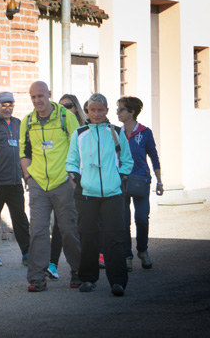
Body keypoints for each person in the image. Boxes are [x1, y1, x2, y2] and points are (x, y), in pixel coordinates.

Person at [66, 93, 133, 296]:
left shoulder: (116, 132)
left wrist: (119, 178)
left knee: (115, 237)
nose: (96, 113)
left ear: (106, 111)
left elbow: (127, 161)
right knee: (88, 237)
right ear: (87, 111)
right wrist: (77, 178)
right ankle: (88, 278)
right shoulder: (79, 133)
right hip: (86, 193)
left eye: (100, 110)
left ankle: (118, 282)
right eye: (92, 110)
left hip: (113, 193)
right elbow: (71, 161)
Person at [20, 81, 82, 292]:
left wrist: (73, 177)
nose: (37, 101)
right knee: (37, 230)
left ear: (49, 95)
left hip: (63, 182)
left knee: (68, 230)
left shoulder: (66, 116)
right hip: (38, 183)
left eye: (40, 96)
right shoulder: (27, 121)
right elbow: (24, 152)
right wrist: (28, 177)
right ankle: (37, 277)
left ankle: (78, 271)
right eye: (33, 97)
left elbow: (78, 146)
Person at [0, 92, 30, 267]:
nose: (7, 108)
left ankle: (27, 253)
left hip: (16, 181)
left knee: (21, 219)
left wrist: (26, 176)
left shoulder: (18, 124)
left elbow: (25, 151)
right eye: (4, 104)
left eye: (10, 104)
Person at [116, 96, 163, 271]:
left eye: (121, 109)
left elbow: (153, 156)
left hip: (140, 181)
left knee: (142, 219)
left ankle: (143, 251)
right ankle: (127, 255)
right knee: (124, 221)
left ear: (132, 112)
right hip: (120, 182)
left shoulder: (145, 132)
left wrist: (159, 181)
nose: (118, 113)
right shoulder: (116, 133)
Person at [47, 94, 87, 280]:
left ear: (76, 108)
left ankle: (79, 267)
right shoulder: (56, 127)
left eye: (68, 105)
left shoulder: (85, 130)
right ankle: (53, 264)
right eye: (60, 106)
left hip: (83, 183)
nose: (64, 109)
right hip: (61, 182)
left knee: (77, 226)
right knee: (59, 225)